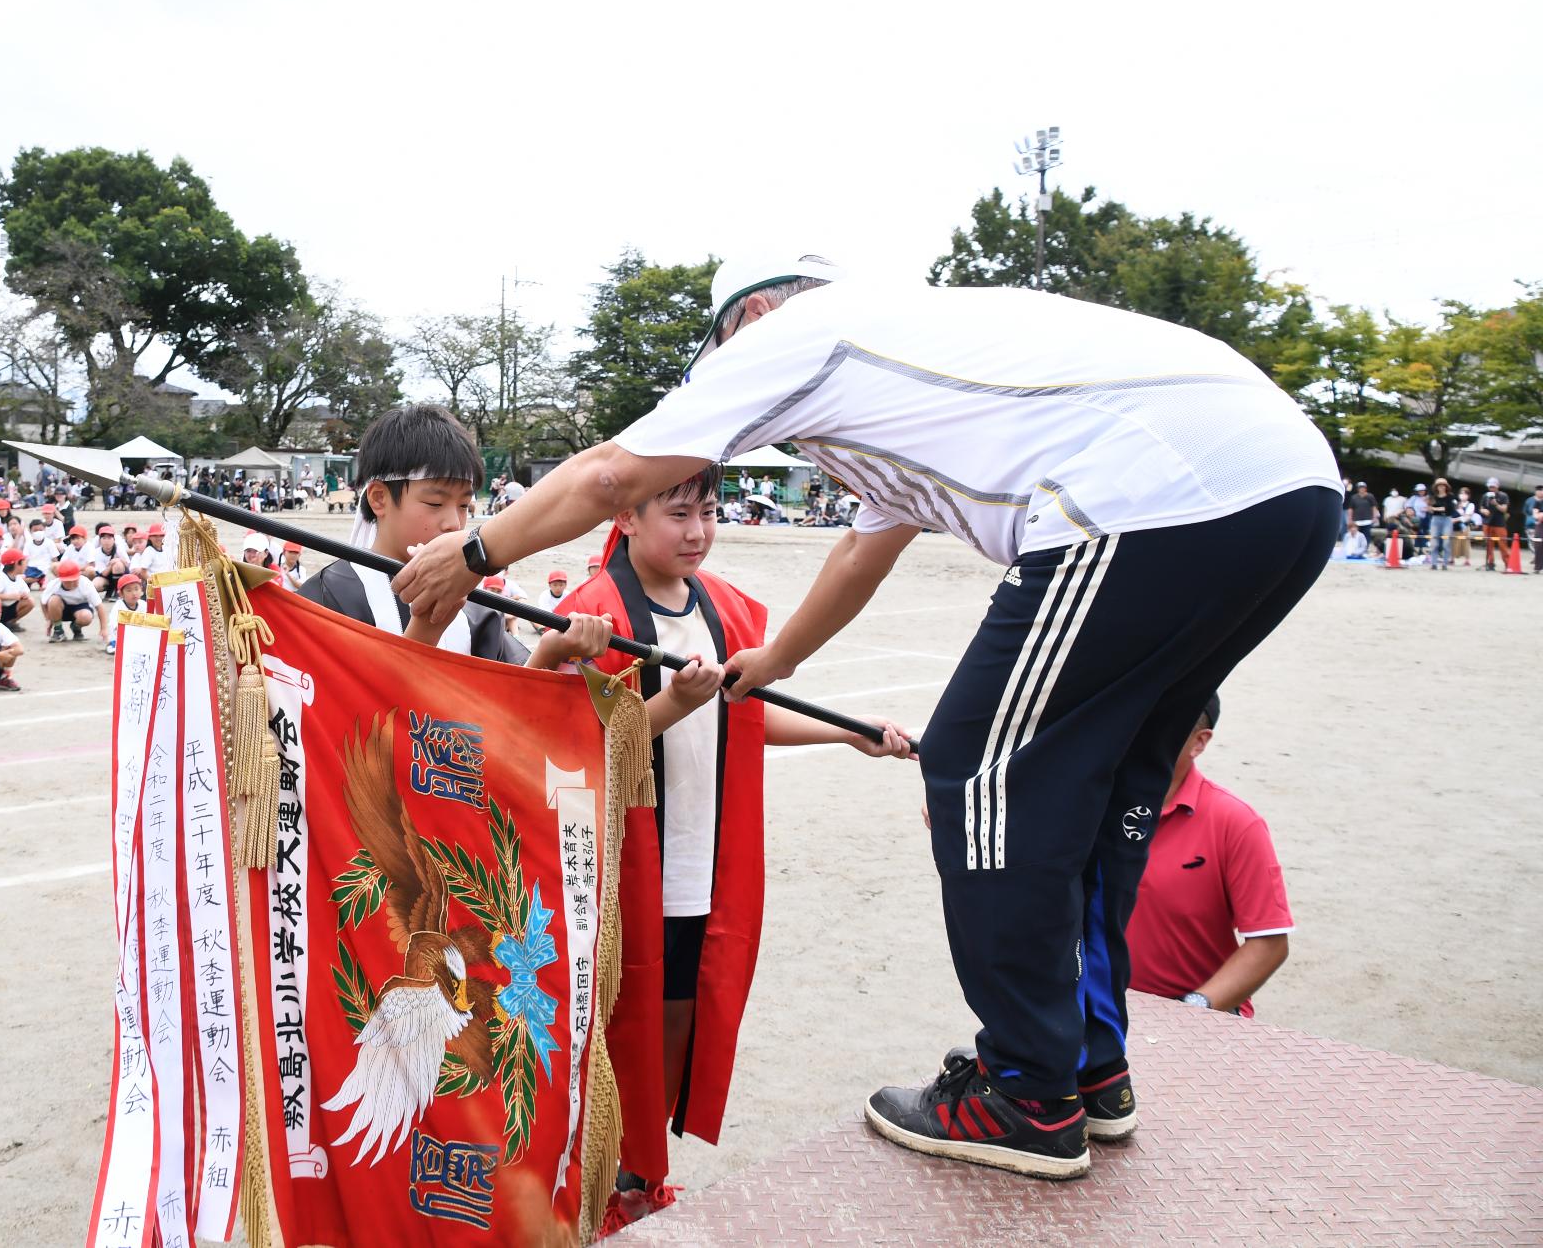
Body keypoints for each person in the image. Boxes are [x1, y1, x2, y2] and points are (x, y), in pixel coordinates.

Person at [395, 252, 1340, 1181]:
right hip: (1289, 492)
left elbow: (610, 476)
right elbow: (862, 553)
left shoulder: (801, 333)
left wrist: (473, 551)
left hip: (1151, 499)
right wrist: (777, 662)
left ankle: (1025, 1087)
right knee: (1097, 782)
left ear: (752, 321)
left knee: (978, 769)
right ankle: (1091, 1068)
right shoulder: (909, 367)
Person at [557, 464, 908, 1228]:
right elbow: (575, 746)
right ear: (625, 518)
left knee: (681, 1012)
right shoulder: (592, 612)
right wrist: (670, 702)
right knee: (617, 1017)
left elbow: (749, 716)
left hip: (703, 857)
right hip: (625, 860)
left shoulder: (733, 613)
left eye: (708, 512)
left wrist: (847, 733)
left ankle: (641, 1171)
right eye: (678, 513)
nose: (698, 531)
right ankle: (597, 1172)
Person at [300, 404, 608, 668]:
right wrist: (426, 631)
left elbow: (505, 709)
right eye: (435, 503)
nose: (453, 523)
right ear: (378, 498)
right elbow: (346, 722)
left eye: (464, 505)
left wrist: (549, 652)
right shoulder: (326, 598)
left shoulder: (473, 601)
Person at [1123, 695, 1292, 1030]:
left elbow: (1269, 943)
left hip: (1199, 1013)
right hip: (1101, 1006)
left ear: (1199, 742)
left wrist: (1194, 1008)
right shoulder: (1094, 807)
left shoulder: (1236, 823)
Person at [42, 560, 103, 643]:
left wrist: (104, 629)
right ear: (61, 579)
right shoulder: (54, 584)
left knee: (86, 617)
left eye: (74, 580)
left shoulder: (85, 583)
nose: (71, 584)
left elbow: (99, 606)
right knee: (53, 600)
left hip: (81, 607)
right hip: (61, 609)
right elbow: (43, 602)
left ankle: (76, 628)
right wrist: (48, 619)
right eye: (68, 581)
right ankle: (58, 631)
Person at [104, 571, 146, 655]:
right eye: (129, 590)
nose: (134, 593)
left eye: (136, 589)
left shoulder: (143, 604)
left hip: (139, 636)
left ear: (141, 590)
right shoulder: (118, 606)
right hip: (121, 637)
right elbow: (115, 626)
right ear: (121, 594)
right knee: (116, 648)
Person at [1481, 477, 1512, 571]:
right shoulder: (1485, 496)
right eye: (1490, 487)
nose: (1491, 489)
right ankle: (1490, 563)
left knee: (1503, 545)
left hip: (1499, 524)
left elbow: (1504, 509)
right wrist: (1484, 510)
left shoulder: (1503, 496)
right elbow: (1481, 507)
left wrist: (1496, 504)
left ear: (1497, 486)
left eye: (1493, 487)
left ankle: (1508, 564)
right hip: (1487, 523)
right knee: (1488, 545)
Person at [1425, 477, 1455, 570]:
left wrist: (1434, 509)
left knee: (1446, 542)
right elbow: (1429, 508)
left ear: (1446, 487)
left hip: (1447, 519)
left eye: (1443, 486)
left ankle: (1445, 564)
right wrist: (1432, 509)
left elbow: (1448, 508)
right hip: (1435, 519)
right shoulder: (1433, 497)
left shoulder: (1450, 497)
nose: (1441, 487)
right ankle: (1433, 563)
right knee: (1434, 542)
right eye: (1439, 486)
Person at [1345, 480, 1379, 546]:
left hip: (1368, 520)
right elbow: (1350, 509)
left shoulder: (1370, 496)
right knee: (1357, 535)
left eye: (1363, 487)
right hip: (1357, 520)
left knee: (1366, 535)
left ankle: (1366, 547)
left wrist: (1375, 517)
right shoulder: (1354, 497)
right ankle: (1357, 547)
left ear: (1365, 488)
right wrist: (1350, 519)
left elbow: (1374, 507)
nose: (1361, 489)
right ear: (1358, 489)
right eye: (1360, 487)